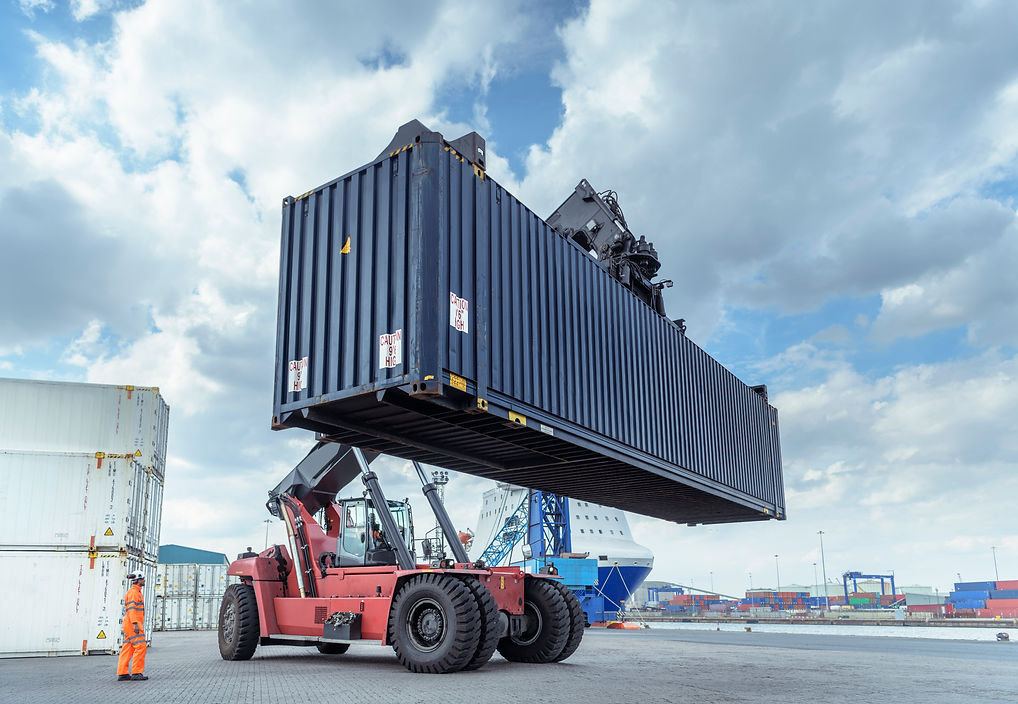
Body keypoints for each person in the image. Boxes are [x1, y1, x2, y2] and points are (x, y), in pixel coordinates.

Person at [116, 571, 148, 681]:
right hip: (133, 624)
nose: (144, 580)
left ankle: (123, 673)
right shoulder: (134, 592)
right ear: (138, 580)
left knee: (128, 648)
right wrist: (135, 624)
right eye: (143, 578)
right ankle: (136, 672)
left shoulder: (135, 592)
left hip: (130, 623)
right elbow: (131, 609)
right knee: (141, 646)